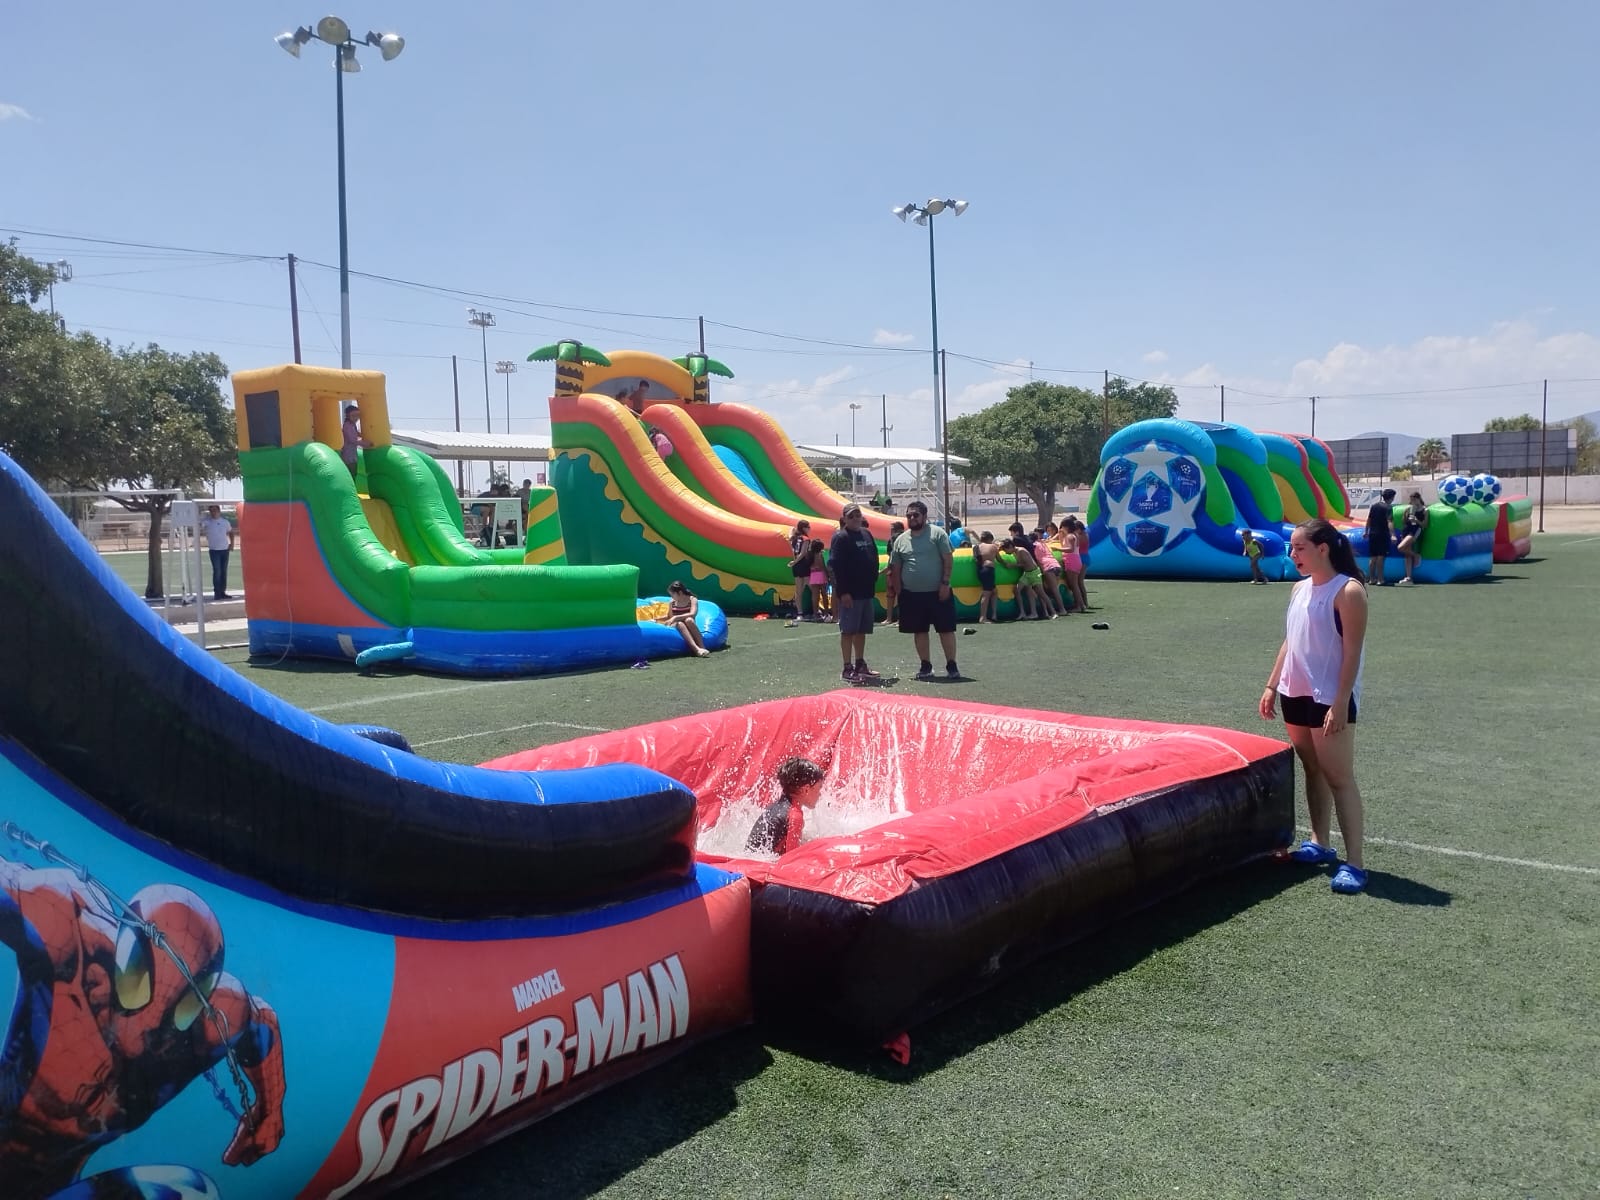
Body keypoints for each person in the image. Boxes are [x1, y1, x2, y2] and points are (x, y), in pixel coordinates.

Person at [0, 843, 286, 1196]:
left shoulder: (214, 1022)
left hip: (51, 1190)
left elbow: (261, 1022)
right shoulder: (69, 934)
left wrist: (269, 1111)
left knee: (191, 1192)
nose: (146, 1028)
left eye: (181, 1009)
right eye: (135, 980)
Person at [1258, 519, 1369, 894]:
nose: (1293, 555)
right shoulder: (1299, 589)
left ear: (1323, 548)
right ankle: (1319, 842)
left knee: (1339, 777)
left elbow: (1352, 653)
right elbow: (1291, 641)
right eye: (1291, 548)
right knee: (1312, 769)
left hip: (1329, 698)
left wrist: (1340, 701)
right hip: (1295, 693)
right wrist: (1272, 685)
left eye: (1300, 548)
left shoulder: (1348, 591)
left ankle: (1355, 863)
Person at [887, 499, 961, 680]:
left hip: (938, 592)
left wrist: (945, 583)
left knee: (945, 629)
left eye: (916, 515)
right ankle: (925, 666)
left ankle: (952, 665)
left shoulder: (937, 534)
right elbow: (895, 568)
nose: (912, 518)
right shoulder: (900, 540)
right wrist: (899, 591)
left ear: (925, 516)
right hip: (911, 595)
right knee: (919, 630)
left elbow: (948, 559)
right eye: (909, 515)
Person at [829, 503, 882, 681]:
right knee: (848, 631)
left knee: (861, 630)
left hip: (866, 591)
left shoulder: (866, 534)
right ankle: (847, 668)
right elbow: (835, 566)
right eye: (851, 516)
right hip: (850, 594)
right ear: (844, 519)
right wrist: (843, 592)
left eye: (857, 515)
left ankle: (860, 664)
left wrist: (873, 577)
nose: (855, 519)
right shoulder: (840, 537)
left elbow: (874, 555)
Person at [745, 757, 826, 856]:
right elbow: (792, 857)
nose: (820, 794)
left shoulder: (777, 806)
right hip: (761, 862)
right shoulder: (795, 816)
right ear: (806, 790)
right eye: (819, 788)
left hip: (750, 857)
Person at [659, 580, 712, 657]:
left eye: (673, 594)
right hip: (677, 625)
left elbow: (693, 614)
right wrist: (656, 619)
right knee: (680, 623)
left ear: (680, 592)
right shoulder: (672, 602)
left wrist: (676, 617)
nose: (671, 597)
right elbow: (669, 617)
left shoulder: (692, 599)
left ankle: (702, 646)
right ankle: (696, 649)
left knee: (689, 620)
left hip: (689, 624)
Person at [998, 537, 1046, 620]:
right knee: (1019, 590)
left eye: (1005, 550)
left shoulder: (1021, 551)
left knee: (1039, 592)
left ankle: (1048, 612)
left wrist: (1013, 565)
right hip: (1027, 573)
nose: (1005, 552)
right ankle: (1024, 612)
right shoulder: (1015, 552)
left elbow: (1026, 563)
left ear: (1010, 547)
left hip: (1033, 572)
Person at [200, 503, 235, 601]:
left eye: (215, 510)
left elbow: (231, 532)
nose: (213, 512)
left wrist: (232, 544)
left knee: (223, 571)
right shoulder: (207, 522)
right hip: (214, 550)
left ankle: (222, 592)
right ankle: (217, 592)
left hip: (224, 549)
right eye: (211, 511)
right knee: (217, 571)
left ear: (219, 511)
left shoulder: (225, 522)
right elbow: (199, 525)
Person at [1032, 529, 1068, 615]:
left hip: (1048, 566)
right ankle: (1054, 609)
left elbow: (1038, 560)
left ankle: (1062, 609)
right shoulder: (1042, 543)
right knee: (1053, 589)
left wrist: (1042, 571)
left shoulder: (1034, 545)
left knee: (1054, 589)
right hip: (1056, 565)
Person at [1399, 490, 1431, 585]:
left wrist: (1416, 520)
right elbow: (1403, 521)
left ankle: (1416, 556)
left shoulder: (1425, 510)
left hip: (1415, 530)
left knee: (1400, 547)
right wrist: (1406, 514)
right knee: (1406, 553)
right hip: (1407, 529)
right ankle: (1409, 577)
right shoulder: (1410, 508)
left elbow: (1425, 525)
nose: (1412, 501)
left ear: (1418, 499)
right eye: (1411, 500)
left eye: (1414, 499)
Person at [1364, 488, 1396, 585]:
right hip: (1382, 534)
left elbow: (1369, 519)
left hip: (1373, 534)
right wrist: (1393, 535)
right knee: (1381, 557)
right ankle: (1380, 579)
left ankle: (1371, 579)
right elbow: (1389, 521)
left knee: (1373, 557)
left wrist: (1366, 531)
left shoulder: (1374, 506)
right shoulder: (1388, 508)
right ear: (1391, 497)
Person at [785, 519, 813, 625]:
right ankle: (818, 611)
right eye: (808, 527)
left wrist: (794, 562)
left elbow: (790, 533)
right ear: (804, 528)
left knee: (798, 590)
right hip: (804, 565)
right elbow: (803, 553)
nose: (809, 529)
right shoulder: (805, 539)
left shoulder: (794, 538)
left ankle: (800, 613)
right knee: (813, 588)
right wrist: (795, 561)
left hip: (796, 566)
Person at [1058, 519, 1089, 612]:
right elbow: (1065, 545)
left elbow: (1070, 549)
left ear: (1066, 527)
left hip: (1072, 561)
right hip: (1074, 560)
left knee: (1074, 585)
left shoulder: (1070, 536)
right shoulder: (1074, 535)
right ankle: (1081, 605)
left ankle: (1080, 606)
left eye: (1063, 527)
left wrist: (1057, 549)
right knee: (1074, 585)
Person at [878, 521, 905, 625]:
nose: (891, 531)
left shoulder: (903, 539)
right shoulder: (892, 540)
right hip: (893, 570)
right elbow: (891, 557)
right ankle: (891, 618)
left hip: (899, 570)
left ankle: (897, 618)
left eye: (893, 529)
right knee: (892, 594)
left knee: (897, 594)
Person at [340, 402, 373, 482]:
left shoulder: (353, 425)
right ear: (348, 415)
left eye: (357, 415)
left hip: (352, 454)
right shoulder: (347, 425)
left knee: (354, 473)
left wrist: (363, 434)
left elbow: (356, 433)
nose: (356, 418)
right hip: (348, 455)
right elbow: (351, 440)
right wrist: (364, 443)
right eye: (353, 415)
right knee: (351, 474)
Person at [972, 530, 999, 623]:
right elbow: (999, 559)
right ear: (990, 539)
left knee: (994, 591)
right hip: (988, 571)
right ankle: (982, 617)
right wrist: (1007, 564)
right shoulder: (992, 546)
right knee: (986, 594)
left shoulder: (976, 547)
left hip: (980, 570)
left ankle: (994, 615)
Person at [805, 537, 834, 622]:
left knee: (815, 596)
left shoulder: (810, 555)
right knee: (824, 594)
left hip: (813, 575)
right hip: (821, 575)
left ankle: (815, 613)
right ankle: (826, 613)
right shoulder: (819, 555)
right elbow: (822, 566)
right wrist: (827, 575)